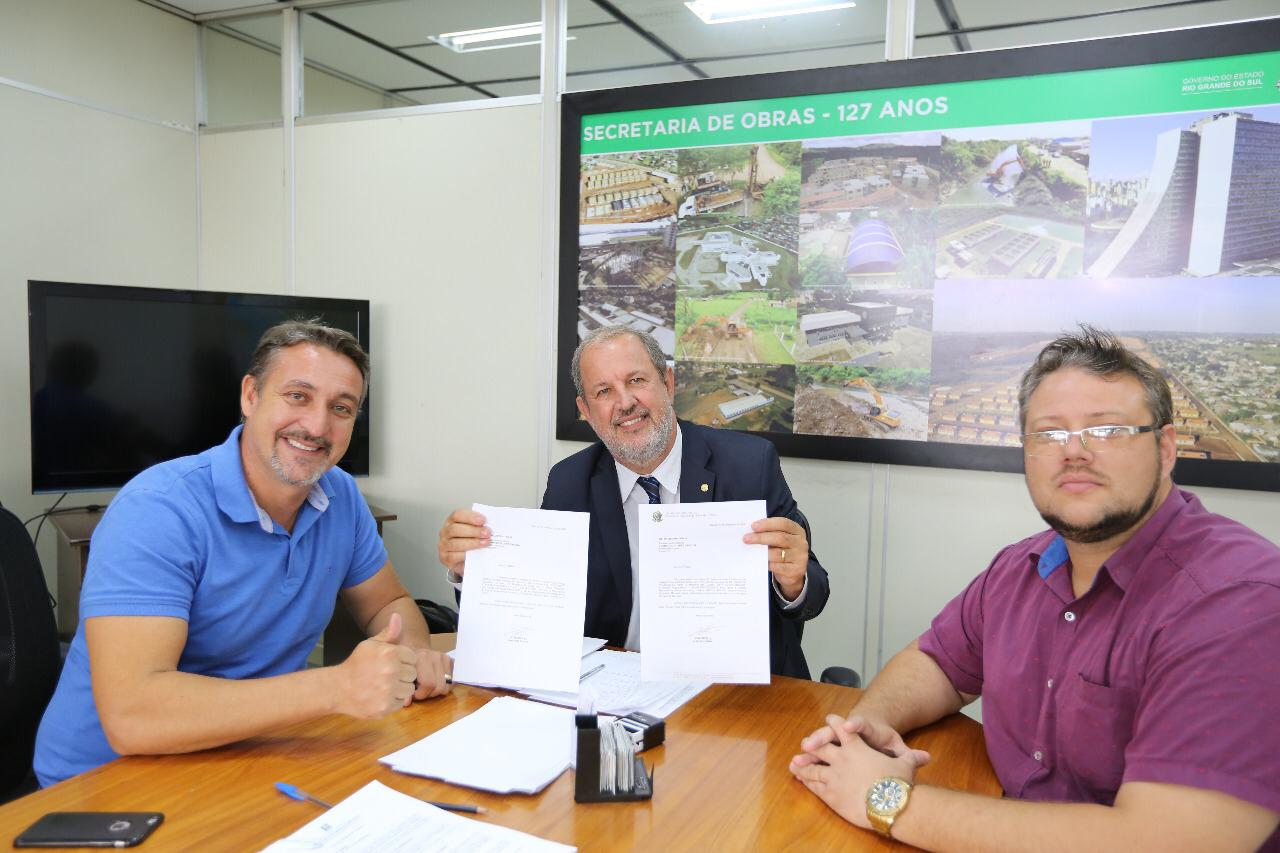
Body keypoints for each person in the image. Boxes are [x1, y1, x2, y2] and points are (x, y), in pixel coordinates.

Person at [790, 326, 1280, 851]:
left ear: (1164, 448)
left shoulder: (1238, 600)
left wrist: (888, 801)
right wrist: (869, 725)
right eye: (1049, 433)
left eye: (1108, 429)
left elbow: (1167, 841)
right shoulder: (1021, 566)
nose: (1075, 452)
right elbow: (937, 663)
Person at [35, 320, 452, 786]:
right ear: (250, 396)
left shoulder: (341, 497)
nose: (317, 426)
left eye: (341, 408)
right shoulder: (157, 510)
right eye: (298, 395)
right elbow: (133, 714)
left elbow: (389, 604)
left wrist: (416, 654)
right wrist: (336, 687)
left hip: (253, 752)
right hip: (106, 782)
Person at [438, 326, 829, 677]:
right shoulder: (570, 482)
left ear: (668, 383)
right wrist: (472, 571)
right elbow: (538, 600)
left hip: (734, 691)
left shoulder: (748, 464)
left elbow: (813, 593)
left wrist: (794, 581)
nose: (625, 403)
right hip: (616, 686)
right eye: (604, 391)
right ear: (586, 412)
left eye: (636, 380)